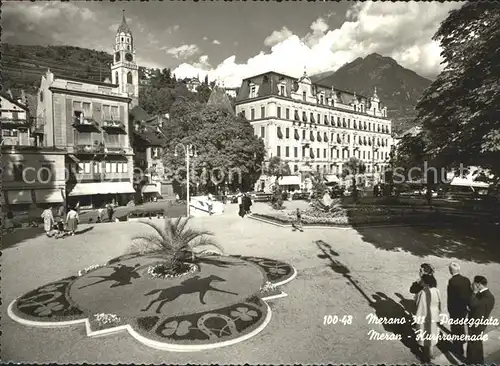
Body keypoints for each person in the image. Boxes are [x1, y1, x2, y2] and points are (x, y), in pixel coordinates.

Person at [466, 275, 495, 365]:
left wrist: (474, 292)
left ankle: (472, 362)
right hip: (481, 323)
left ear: (478, 284)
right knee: (478, 344)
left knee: (473, 344)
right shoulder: (489, 296)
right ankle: (479, 361)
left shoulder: (484, 297)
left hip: (476, 324)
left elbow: (473, 304)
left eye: (474, 283)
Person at [415, 274, 442, 362]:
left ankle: (425, 356)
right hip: (434, 316)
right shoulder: (436, 290)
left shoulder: (422, 292)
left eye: (422, 281)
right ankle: (431, 353)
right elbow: (440, 303)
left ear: (426, 283)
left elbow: (419, 305)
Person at [447, 262, 472, 358]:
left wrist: (450, 309)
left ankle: (458, 348)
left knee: (455, 328)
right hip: (464, 308)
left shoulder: (452, 281)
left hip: (455, 309)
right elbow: (469, 293)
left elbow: (451, 297)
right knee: (461, 326)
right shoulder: (466, 280)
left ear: (450, 271)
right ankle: (462, 340)